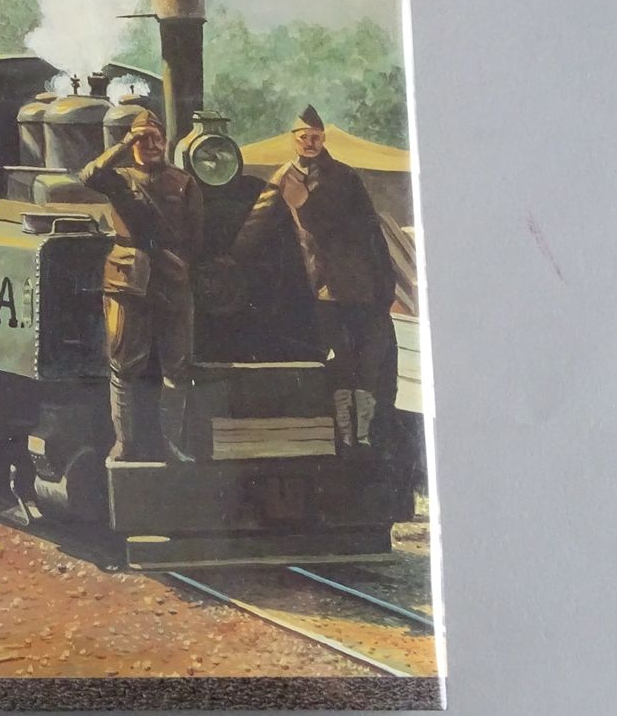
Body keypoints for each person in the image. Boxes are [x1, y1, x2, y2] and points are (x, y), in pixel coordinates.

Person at [229, 105, 398, 453]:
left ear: (323, 139)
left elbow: (366, 228)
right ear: (294, 140)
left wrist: (384, 281)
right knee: (339, 360)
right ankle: (346, 436)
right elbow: (257, 222)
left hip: (360, 283)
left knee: (369, 362)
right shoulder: (284, 177)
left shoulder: (345, 177)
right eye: (303, 137)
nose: (309, 143)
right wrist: (231, 258)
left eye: (315, 137)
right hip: (322, 287)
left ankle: (364, 435)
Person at [80, 113, 203, 462]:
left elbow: (196, 235)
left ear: (166, 142)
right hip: (127, 279)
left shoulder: (183, 182)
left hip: (171, 277)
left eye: (156, 138)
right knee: (123, 365)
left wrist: (183, 264)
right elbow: (88, 175)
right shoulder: (118, 179)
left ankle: (171, 444)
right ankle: (125, 442)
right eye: (141, 139)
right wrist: (123, 143)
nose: (150, 145)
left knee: (177, 365)